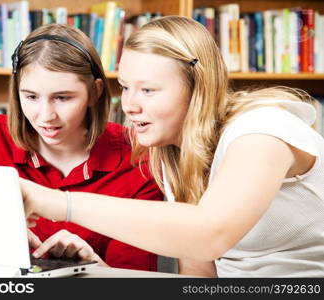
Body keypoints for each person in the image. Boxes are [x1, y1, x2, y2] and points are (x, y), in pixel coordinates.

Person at [20, 16, 324, 277]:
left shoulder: (262, 131)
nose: (129, 106)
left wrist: (59, 203)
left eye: (148, 90)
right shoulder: (172, 152)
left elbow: (210, 233)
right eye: (125, 87)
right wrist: (99, 272)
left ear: (197, 88)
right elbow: (200, 279)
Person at [0, 24, 164, 271]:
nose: (46, 116)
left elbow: (134, 281)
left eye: (62, 98)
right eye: (31, 97)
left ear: (95, 92)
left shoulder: (139, 158)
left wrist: (93, 263)